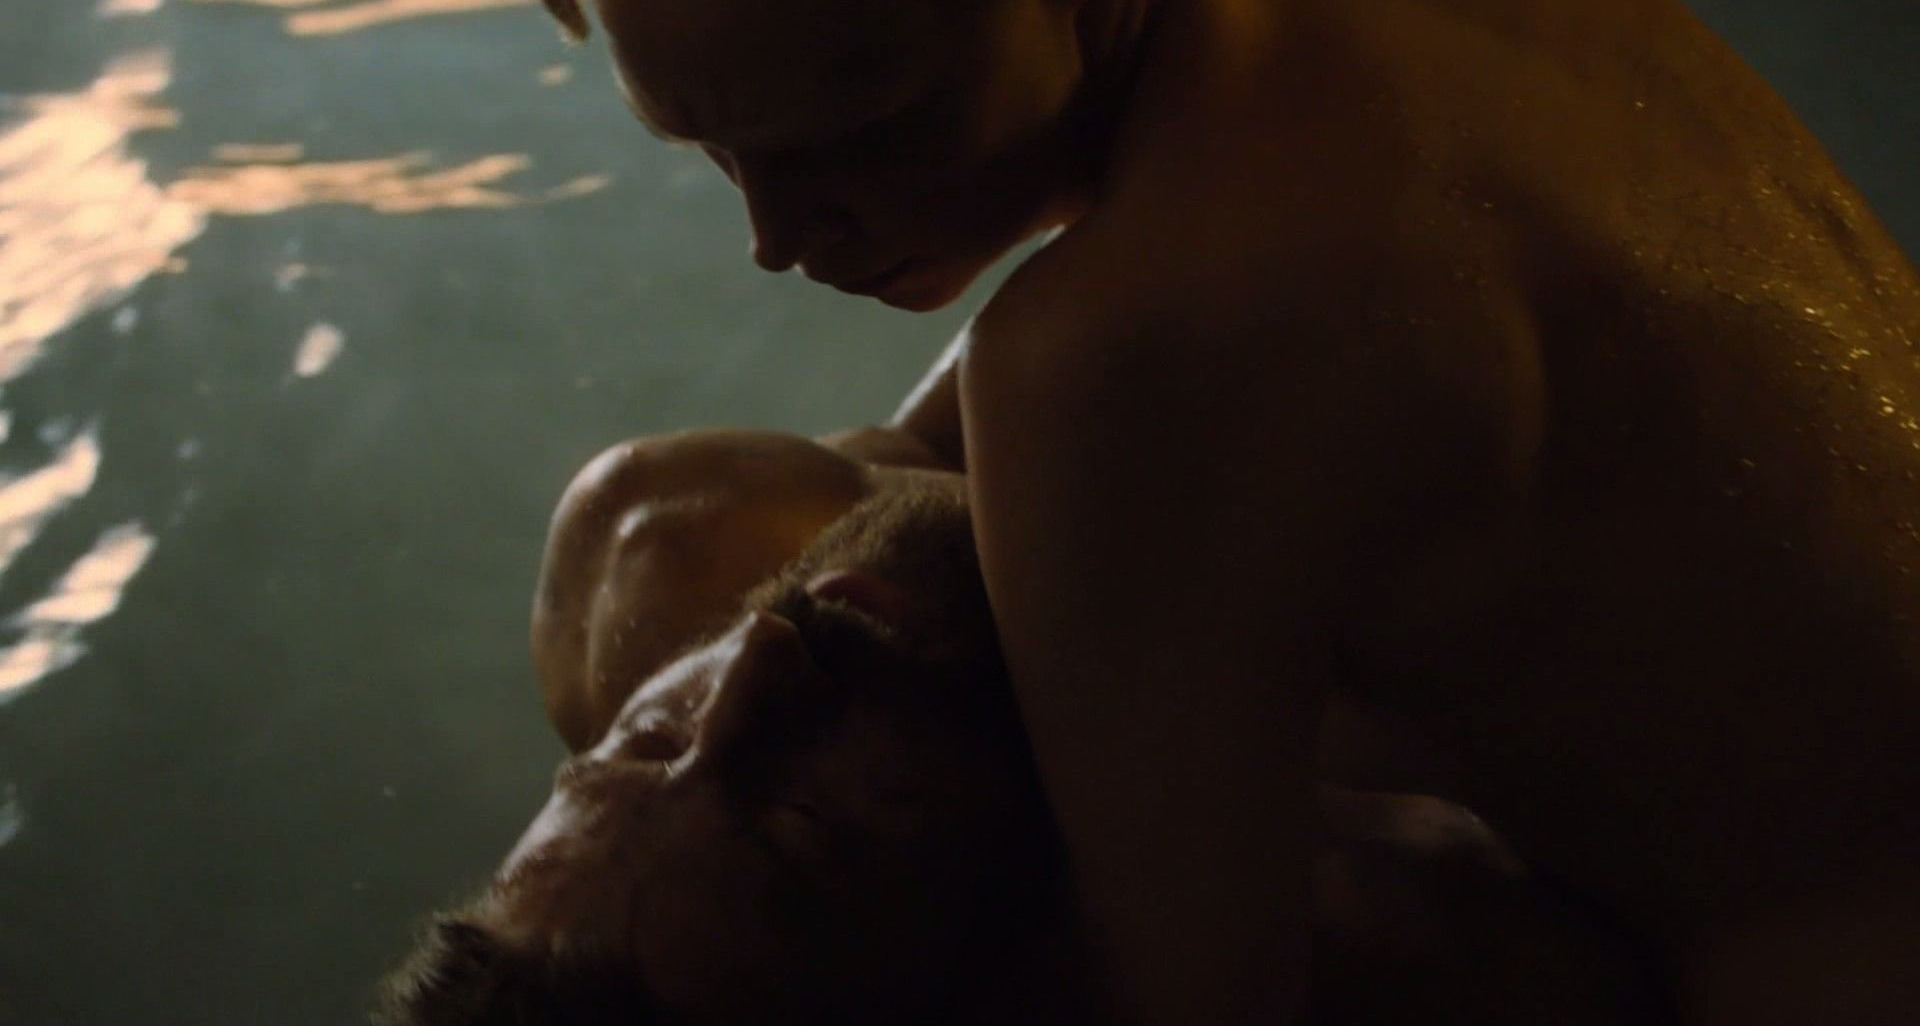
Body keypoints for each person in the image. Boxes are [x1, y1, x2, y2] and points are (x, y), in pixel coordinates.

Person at [522, 0, 1920, 1019]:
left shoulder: (1145, 331)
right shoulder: (1295, 26)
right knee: (678, 537)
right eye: (705, 144)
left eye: (854, 131)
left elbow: (1198, 1007)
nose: (774, 236)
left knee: (689, 600)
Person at [380, 431, 1667, 1023]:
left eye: (645, 744)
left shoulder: (674, 555)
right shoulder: (1401, 910)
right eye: (802, 817)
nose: (760, 657)